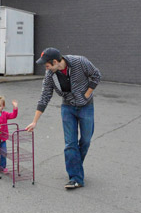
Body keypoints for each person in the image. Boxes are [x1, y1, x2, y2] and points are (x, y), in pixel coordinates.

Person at [25, 48, 101, 189]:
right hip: (68, 108)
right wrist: (35, 121)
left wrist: (87, 93)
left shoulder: (80, 62)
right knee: (70, 143)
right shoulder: (50, 75)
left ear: (55, 62)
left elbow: (96, 75)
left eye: (47, 65)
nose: (45, 68)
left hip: (86, 107)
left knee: (86, 140)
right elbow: (45, 96)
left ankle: (75, 165)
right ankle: (75, 178)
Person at [0, 96, 18, 175]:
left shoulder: (5, 114)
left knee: (4, 153)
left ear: (3, 106)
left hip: (2, 138)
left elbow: (13, 116)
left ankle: (2, 167)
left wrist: (15, 108)